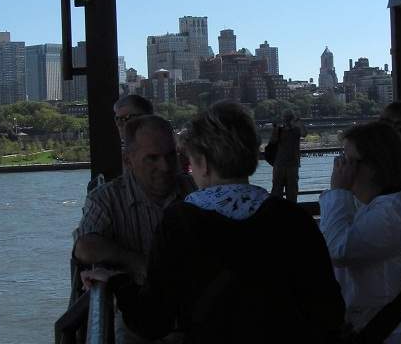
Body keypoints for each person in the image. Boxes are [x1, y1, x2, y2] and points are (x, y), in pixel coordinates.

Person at [112, 102, 341, 342]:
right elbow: (330, 312)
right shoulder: (293, 218)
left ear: (204, 162)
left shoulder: (180, 221)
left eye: (189, 161)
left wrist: (119, 284)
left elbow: (153, 322)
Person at [65, 114, 189, 343]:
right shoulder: (106, 198)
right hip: (139, 326)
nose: (164, 166)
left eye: (171, 156)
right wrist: (135, 262)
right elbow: (84, 247)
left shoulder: (195, 190)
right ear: (128, 160)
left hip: (195, 321)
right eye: (152, 158)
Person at [323, 120, 401, 344]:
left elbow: (339, 250)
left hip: (394, 334)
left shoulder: (396, 209)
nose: (341, 167)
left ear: (374, 165)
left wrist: (338, 192)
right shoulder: (384, 205)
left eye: (348, 160)